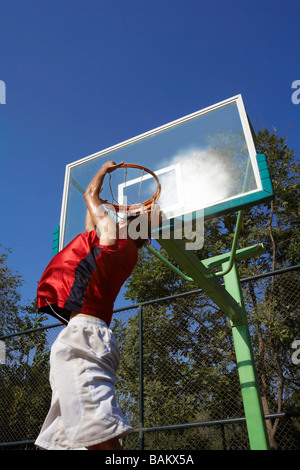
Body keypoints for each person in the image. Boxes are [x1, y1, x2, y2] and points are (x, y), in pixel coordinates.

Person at [35, 161, 149, 450]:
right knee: (67, 440)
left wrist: (102, 171)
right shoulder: (125, 251)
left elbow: (90, 195)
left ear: (127, 226)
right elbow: (90, 223)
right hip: (84, 333)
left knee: (99, 432)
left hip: (85, 335)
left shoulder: (114, 237)